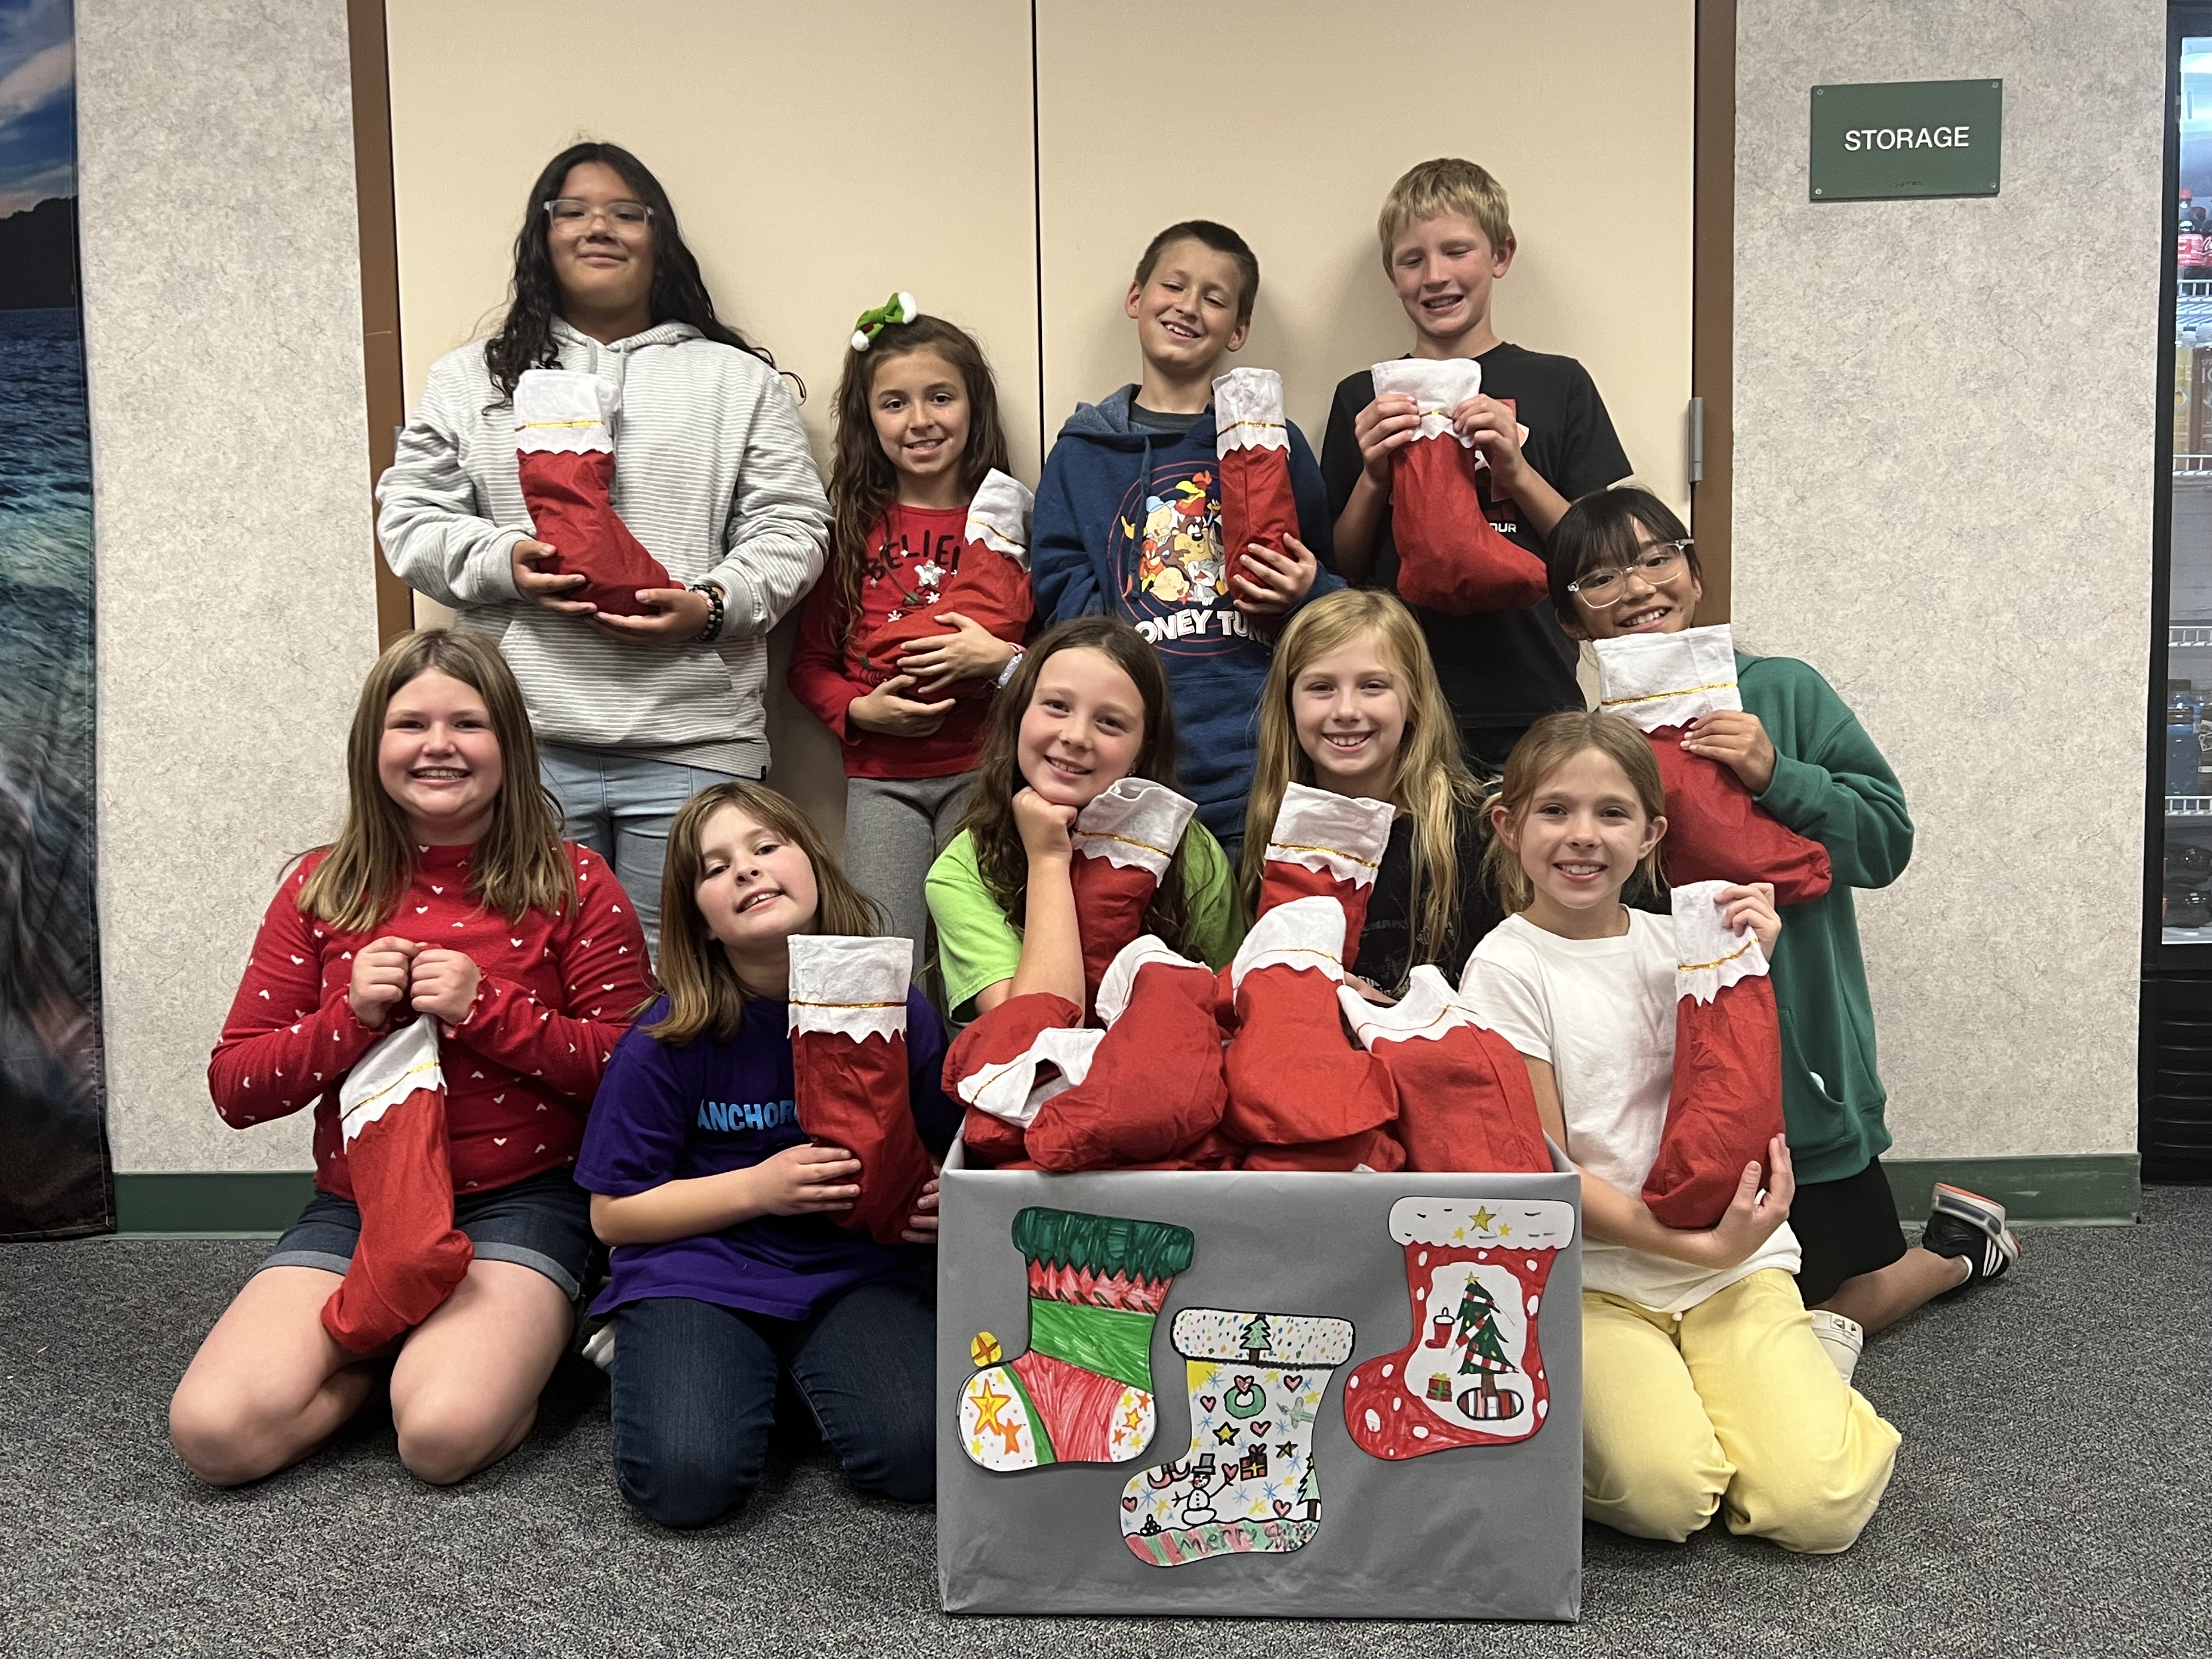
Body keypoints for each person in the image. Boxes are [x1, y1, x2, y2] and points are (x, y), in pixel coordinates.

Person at [1548, 487, 2018, 1378]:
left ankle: (1954, 1251)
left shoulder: (1781, 691)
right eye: (1599, 578)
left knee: (1816, 1308)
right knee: (1683, 1303)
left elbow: (1885, 843)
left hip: (1802, 1077)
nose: (1638, 587)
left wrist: (1776, 770)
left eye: (1657, 558)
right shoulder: (1587, 742)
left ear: (1693, 573)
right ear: (1571, 618)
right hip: (1663, 1070)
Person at [170, 629, 652, 1487]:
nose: (438, 746)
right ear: (373, 746)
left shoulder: (576, 882)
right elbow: (236, 1088)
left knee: (440, 1438)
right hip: (362, 1205)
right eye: (411, 725)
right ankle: (392, 1358)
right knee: (215, 1436)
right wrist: (349, 1017)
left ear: (510, 745)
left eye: (468, 723)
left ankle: (468, 1349)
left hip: (523, 1202)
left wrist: (490, 1011)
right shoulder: (318, 889)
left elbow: (640, 1078)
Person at [1462, 710, 1898, 1552]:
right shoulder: (1506, 968)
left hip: (1733, 1271)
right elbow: (1549, 1172)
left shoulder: (1688, 944)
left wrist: (1759, 964)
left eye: (1612, 813)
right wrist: (1694, 1245)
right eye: (1555, 811)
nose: (1583, 836)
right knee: (1667, 1496)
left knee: (1816, 1509)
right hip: (1601, 1280)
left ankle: (1792, 1380)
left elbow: (1744, 1088)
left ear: (1652, 834)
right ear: (1509, 827)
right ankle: (1742, 1402)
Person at [376, 140, 830, 949]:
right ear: (542, 236)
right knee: (529, 971)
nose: (599, 228)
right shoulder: (470, 379)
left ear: (659, 239)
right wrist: (503, 563)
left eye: (626, 212)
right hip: (522, 740)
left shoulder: (738, 381)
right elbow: (409, 519)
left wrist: (712, 606)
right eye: (574, 211)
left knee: (688, 988)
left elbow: (794, 528)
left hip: (696, 743)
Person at [573, 782, 953, 1528]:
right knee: (687, 1485)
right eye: (715, 868)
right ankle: (688, 1358)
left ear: (816, 865)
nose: (746, 869)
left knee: (924, 1456)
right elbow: (612, 1216)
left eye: (767, 847)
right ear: (701, 922)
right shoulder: (666, 1038)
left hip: (851, 1268)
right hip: (699, 1269)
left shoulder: (896, 1008)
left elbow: (948, 1148)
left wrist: (942, 1194)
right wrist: (760, 1188)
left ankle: (766, 1377)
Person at [1029, 219, 1340, 863]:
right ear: (1136, 297)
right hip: (1129, 766)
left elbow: (1334, 598)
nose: (1189, 306)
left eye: (1214, 298)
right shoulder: (1082, 452)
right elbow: (1058, 587)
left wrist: (1308, 591)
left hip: (1261, 767)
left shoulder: (1275, 444)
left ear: (1238, 330)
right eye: (1174, 286)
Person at [1322, 157, 1632, 773]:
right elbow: (1342, 568)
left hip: (1536, 694)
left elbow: (1597, 560)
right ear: (1392, 275)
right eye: (1412, 260)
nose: (1435, 276)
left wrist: (1516, 471)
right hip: (1399, 702)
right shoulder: (1362, 395)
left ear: (1500, 255)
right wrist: (1375, 476)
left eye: (1457, 251)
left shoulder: (1560, 383)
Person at [788, 306, 1024, 984]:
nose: (920, 420)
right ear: (869, 419)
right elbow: (808, 665)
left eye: (940, 397)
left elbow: (1057, 663)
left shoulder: (1010, 520)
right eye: (895, 403)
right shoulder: (849, 528)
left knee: (978, 963)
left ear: (975, 406)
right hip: (881, 782)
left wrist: (999, 662)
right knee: (884, 959)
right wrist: (860, 712)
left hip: (985, 773)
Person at [925, 616, 1244, 1025]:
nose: (1076, 736)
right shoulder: (963, 871)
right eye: (1057, 706)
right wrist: (1047, 859)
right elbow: (1035, 1031)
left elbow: (1231, 1010)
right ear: (1019, 715)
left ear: (1142, 752)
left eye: (1110, 722)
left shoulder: (1190, 850)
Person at [1241, 586, 1498, 995]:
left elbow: (1504, 1005)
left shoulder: (1474, 834)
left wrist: (1391, 1016)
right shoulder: (1272, 833)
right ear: (1288, 705)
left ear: (1414, 700)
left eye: (1373, 686)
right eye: (1321, 687)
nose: (1346, 710)